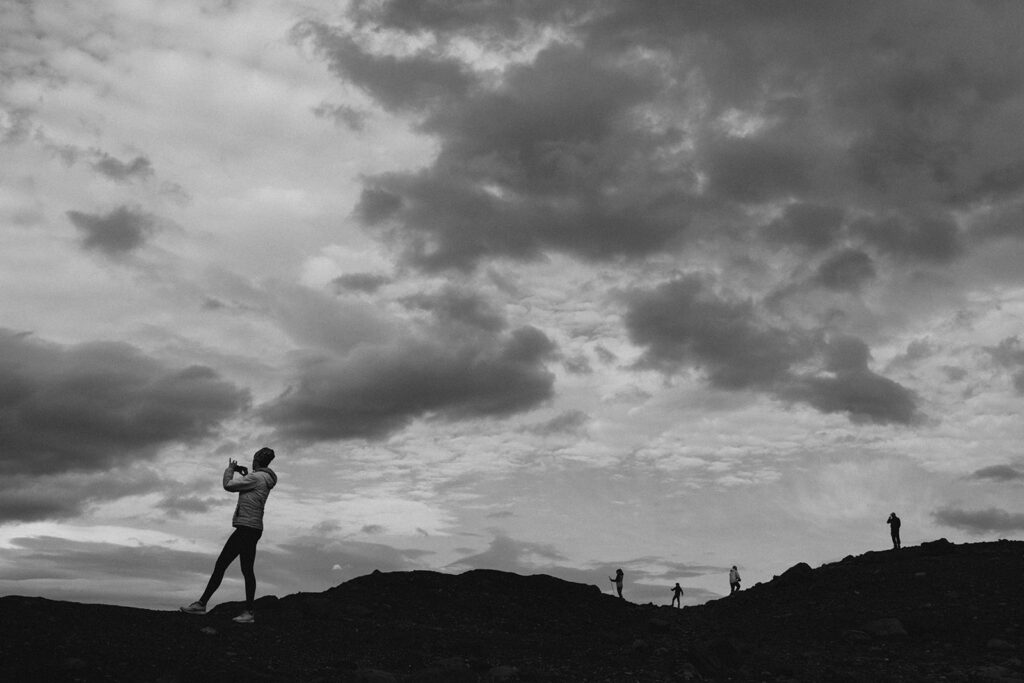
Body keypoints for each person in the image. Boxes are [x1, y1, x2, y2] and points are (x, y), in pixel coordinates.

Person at [181, 447, 278, 623]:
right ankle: (247, 611)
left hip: (246, 528)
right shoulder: (263, 478)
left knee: (222, 564)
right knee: (247, 570)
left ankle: (202, 604)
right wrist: (244, 474)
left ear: (257, 460)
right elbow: (249, 485)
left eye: (254, 458)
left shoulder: (256, 478)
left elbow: (229, 485)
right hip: (254, 527)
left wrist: (231, 470)